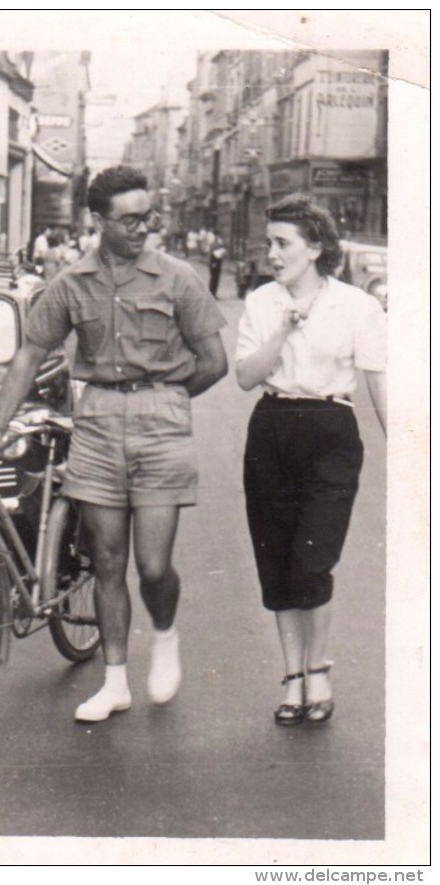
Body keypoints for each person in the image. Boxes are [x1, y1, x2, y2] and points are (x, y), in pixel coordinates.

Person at [0, 165, 228, 723]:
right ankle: (115, 683)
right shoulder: (70, 284)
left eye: (148, 217)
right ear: (98, 220)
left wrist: (166, 397)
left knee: (153, 566)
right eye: (130, 220)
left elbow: (214, 362)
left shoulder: (178, 278)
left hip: (161, 419)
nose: (143, 229)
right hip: (98, 423)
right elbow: (28, 357)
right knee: (106, 561)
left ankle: (164, 633)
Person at [235, 193, 387, 727]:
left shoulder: (358, 306)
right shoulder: (260, 302)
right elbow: (248, 377)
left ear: (315, 247)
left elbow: (377, 380)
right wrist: (284, 327)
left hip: (330, 430)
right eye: (269, 242)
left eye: (283, 243)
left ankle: (318, 668)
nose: (272, 253)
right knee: (276, 559)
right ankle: (293, 675)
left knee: (312, 558)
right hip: (273, 428)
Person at [208, 231, 227, 297]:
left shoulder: (218, 242)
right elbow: (212, 253)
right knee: (214, 278)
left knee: (216, 278)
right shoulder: (214, 243)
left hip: (218, 261)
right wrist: (213, 263)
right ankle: (212, 293)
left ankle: (214, 292)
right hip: (214, 261)